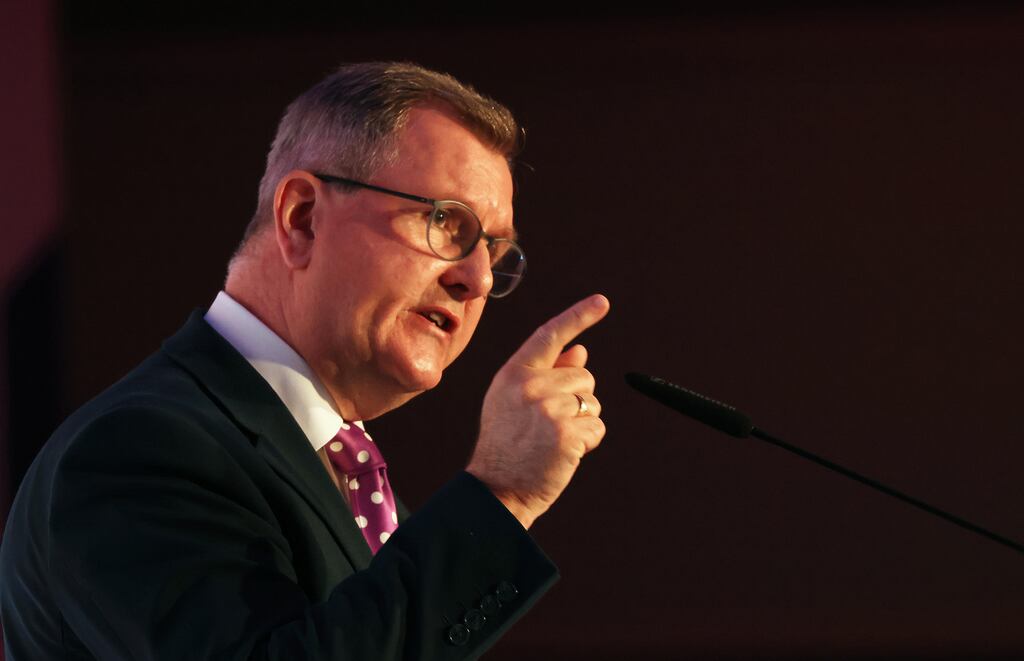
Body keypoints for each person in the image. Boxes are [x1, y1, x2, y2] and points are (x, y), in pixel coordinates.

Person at [0, 61, 610, 659]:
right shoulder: (140, 449)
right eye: (447, 222)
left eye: (495, 250)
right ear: (303, 219)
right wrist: (501, 494)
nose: (477, 279)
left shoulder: (342, 473)